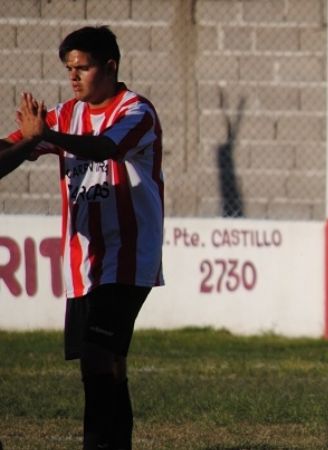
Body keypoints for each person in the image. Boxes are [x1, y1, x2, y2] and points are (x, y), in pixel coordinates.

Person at [0, 26, 164, 450]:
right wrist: (30, 140)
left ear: (110, 66)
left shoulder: (136, 112)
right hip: (84, 263)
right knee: (106, 363)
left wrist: (45, 136)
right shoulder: (64, 115)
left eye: (83, 68)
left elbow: (104, 147)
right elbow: (13, 145)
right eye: (69, 69)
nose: (73, 77)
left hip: (129, 257)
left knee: (97, 356)